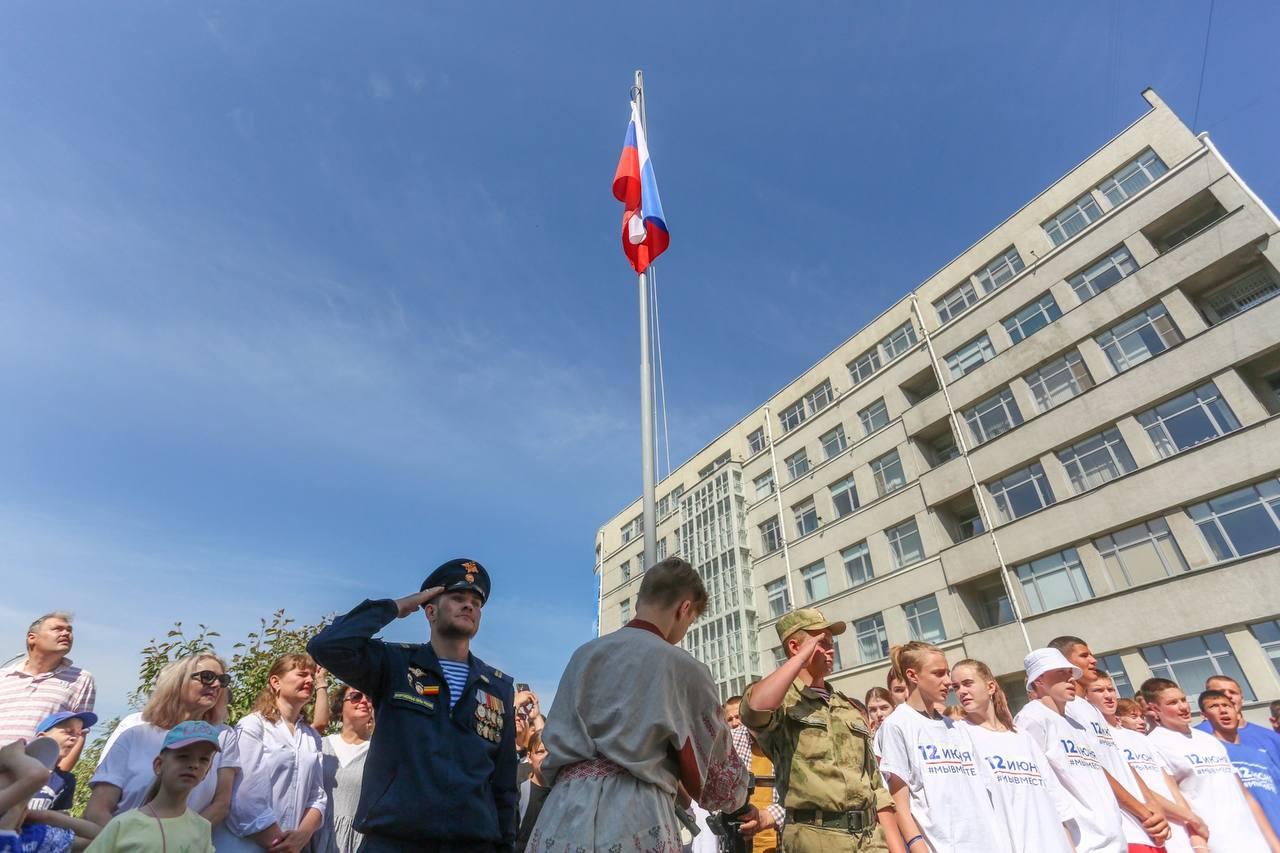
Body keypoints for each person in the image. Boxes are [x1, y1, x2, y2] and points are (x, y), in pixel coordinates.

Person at [529, 557, 753, 853]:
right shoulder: (682, 668)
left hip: (562, 814)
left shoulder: (583, 656)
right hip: (635, 815)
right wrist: (740, 799)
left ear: (640, 601)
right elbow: (714, 780)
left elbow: (548, 758)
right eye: (691, 619)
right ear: (684, 609)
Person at [308, 557, 518, 851]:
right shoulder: (395, 665)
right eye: (457, 598)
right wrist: (396, 607)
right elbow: (326, 646)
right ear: (430, 610)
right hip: (395, 839)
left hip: (472, 843)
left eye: (476, 602)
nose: (469, 605)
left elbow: (504, 785)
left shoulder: (498, 686)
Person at [84, 654, 238, 832]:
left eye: (223, 680)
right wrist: (128, 843)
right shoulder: (134, 731)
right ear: (178, 681)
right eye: (207, 677)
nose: (217, 685)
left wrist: (175, 843)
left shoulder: (223, 736)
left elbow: (221, 805)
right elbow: (97, 809)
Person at [875, 641, 1000, 853]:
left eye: (947, 673)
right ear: (913, 676)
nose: (948, 681)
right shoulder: (897, 725)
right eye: (938, 674)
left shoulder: (957, 728)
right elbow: (900, 805)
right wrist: (917, 847)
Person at [1051, 636, 1170, 851]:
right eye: (1084, 655)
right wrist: (1142, 811)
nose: (1094, 660)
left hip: (1145, 827)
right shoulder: (1064, 710)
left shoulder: (1090, 709)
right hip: (1123, 828)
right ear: (1063, 663)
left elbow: (1119, 760)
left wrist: (1153, 804)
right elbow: (1095, 768)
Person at [950, 658, 1075, 853]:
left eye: (968, 683)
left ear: (990, 687)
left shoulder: (1022, 737)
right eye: (956, 687)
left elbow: (1057, 802)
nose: (961, 692)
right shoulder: (959, 735)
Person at [1144, 677, 1280, 852]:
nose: (1183, 707)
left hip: (1254, 841)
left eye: (1183, 700)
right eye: (1173, 703)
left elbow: (1246, 797)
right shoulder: (1154, 743)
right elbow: (1175, 801)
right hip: (1214, 843)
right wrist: (1200, 845)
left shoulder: (1210, 741)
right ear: (1155, 708)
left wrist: (1274, 844)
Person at [1014, 647, 1127, 853]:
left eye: (1071, 674)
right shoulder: (1031, 718)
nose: (1071, 680)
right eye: (1061, 673)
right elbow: (1036, 786)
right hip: (1080, 843)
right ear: (1039, 680)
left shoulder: (1076, 723)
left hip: (1114, 839)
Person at [213, 653, 327, 853]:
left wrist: (303, 835)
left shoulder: (311, 737)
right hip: (246, 845)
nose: (309, 680)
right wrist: (279, 844)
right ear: (276, 682)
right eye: (302, 674)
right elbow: (244, 795)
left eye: (311, 676)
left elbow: (317, 796)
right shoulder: (253, 726)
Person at [1087, 672, 1207, 852]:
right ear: (1086, 697)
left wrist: (1192, 825)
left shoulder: (1141, 739)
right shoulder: (1096, 737)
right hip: (1146, 830)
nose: (1108, 695)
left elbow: (1170, 786)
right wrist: (1184, 816)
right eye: (1099, 690)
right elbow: (1130, 787)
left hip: (1179, 831)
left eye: (1110, 689)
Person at [84, 721, 220, 853]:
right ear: (159, 765)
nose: (194, 765)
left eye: (203, 759)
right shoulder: (123, 825)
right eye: (183, 756)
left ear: (206, 772)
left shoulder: (202, 828)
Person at [0, 613, 96, 776]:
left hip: (33, 778)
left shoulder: (81, 679)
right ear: (32, 638)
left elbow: (78, 734)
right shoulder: (4, 676)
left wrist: (54, 780)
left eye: (69, 630)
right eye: (57, 629)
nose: (66, 634)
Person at [1200, 689, 1280, 835]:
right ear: (1204, 716)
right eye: (1214, 706)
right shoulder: (1207, 753)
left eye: (1227, 706)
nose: (1223, 710)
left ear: (1237, 712)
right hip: (1243, 837)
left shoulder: (1260, 755)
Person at [316, 684, 373, 853]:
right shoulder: (320, 746)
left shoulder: (379, 751)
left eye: (369, 698)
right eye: (356, 696)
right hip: (315, 837)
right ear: (340, 707)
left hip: (358, 842)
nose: (364, 701)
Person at [1195, 676, 1280, 770]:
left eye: (1233, 692)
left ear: (1242, 699)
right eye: (1220, 693)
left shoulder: (1271, 737)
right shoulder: (1196, 735)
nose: (1228, 696)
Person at [28, 711, 97, 812]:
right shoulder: (15, 769)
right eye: (68, 731)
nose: (74, 738)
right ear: (42, 737)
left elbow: (59, 820)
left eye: (78, 734)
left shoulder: (66, 781)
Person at [515, 729, 549, 852]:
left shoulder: (561, 794)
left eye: (550, 753)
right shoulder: (520, 792)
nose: (546, 757)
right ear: (529, 757)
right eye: (540, 752)